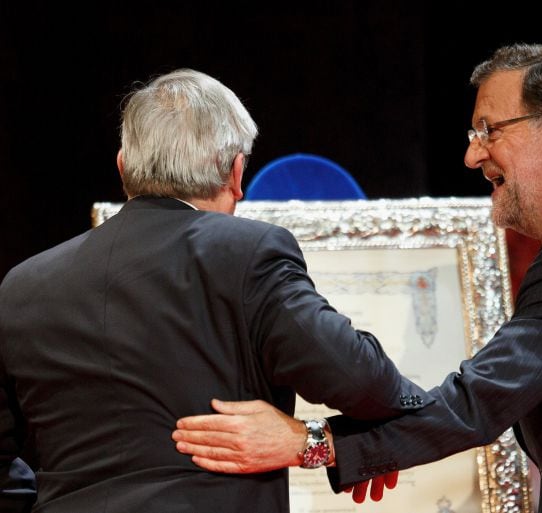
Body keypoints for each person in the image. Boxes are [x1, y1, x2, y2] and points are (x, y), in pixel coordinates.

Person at [172, 44, 542, 512]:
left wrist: (311, 443)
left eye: (491, 130)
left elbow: (478, 402)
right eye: (472, 133)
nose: (472, 155)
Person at [0, 68, 429, 512]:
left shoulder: (22, 286)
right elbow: (364, 381)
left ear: (123, 167)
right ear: (236, 172)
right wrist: (342, 440)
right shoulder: (249, 254)